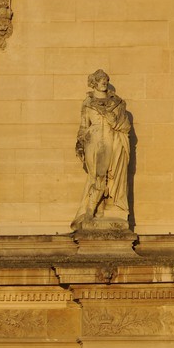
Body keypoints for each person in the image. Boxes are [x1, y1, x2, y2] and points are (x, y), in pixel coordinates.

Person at [74, 68, 132, 230]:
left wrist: (113, 119)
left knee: (102, 175)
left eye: (105, 79)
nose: (104, 82)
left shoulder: (117, 103)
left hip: (110, 139)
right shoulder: (87, 103)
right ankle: (97, 208)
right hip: (92, 140)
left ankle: (89, 211)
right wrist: (80, 144)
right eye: (100, 80)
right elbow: (83, 126)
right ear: (94, 83)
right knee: (95, 176)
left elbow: (125, 126)